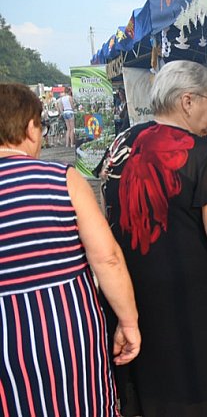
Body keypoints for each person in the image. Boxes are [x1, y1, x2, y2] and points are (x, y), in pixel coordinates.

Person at [99, 61, 207, 416]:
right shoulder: (202, 156)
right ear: (187, 101)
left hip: (132, 301)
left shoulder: (122, 143)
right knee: (197, 398)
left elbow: (107, 215)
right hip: (190, 311)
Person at [0, 83, 141, 416]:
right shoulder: (62, 179)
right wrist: (129, 322)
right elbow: (106, 258)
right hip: (64, 328)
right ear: (30, 128)